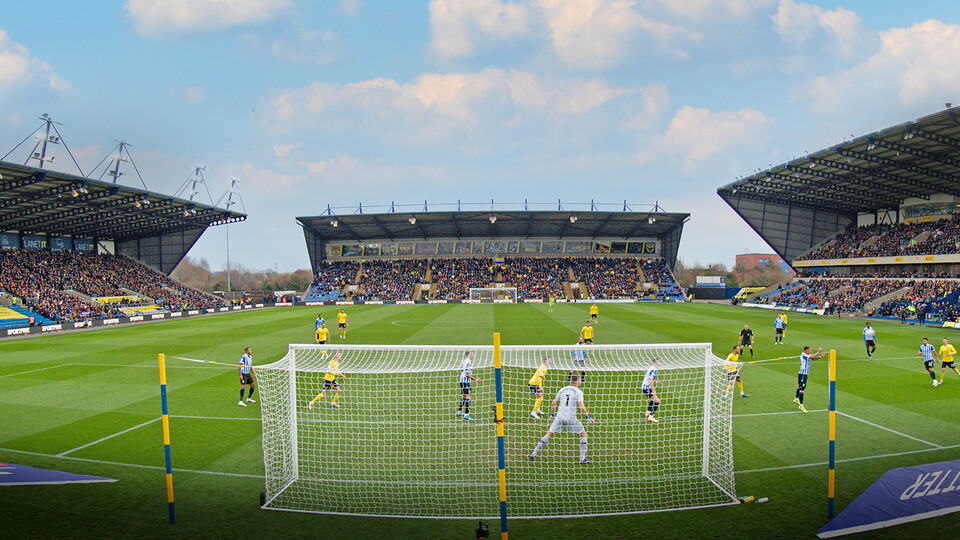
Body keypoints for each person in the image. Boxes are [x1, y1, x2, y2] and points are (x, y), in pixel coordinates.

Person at [528, 373, 595, 464]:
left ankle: (534, 453)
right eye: (580, 380)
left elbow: (553, 403)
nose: (581, 381)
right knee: (583, 435)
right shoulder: (578, 392)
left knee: (549, 434)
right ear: (577, 381)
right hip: (571, 418)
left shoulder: (563, 389)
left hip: (559, 417)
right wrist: (588, 417)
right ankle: (582, 459)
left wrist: (552, 414)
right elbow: (581, 406)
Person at [793, 346, 824, 413]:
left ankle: (796, 399)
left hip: (803, 374)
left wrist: (820, 356)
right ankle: (801, 405)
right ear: (806, 350)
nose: (811, 351)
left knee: (800, 387)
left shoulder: (807, 355)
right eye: (810, 350)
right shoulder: (804, 355)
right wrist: (818, 352)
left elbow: (813, 358)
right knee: (802, 389)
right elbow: (812, 357)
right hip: (803, 374)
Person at [456, 350, 482, 421]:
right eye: (472, 354)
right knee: (468, 397)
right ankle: (466, 415)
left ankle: (459, 412)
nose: (473, 355)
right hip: (465, 381)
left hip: (463, 381)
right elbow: (467, 374)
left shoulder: (465, 361)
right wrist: (475, 379)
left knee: (465, 396)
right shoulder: (468, 362)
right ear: (468, 355)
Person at [642, 358, 662, 422]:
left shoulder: (651, 368)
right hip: (647, 388)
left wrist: (656, 382)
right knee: (657, 401)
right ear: (656, 362)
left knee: (653, 399)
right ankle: (650, 417)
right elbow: (650, 381)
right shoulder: (653, 370)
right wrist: (653, 391)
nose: (660, 363)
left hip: (644, 387)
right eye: (659, 361)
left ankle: (648, 413)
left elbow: (648, 377)